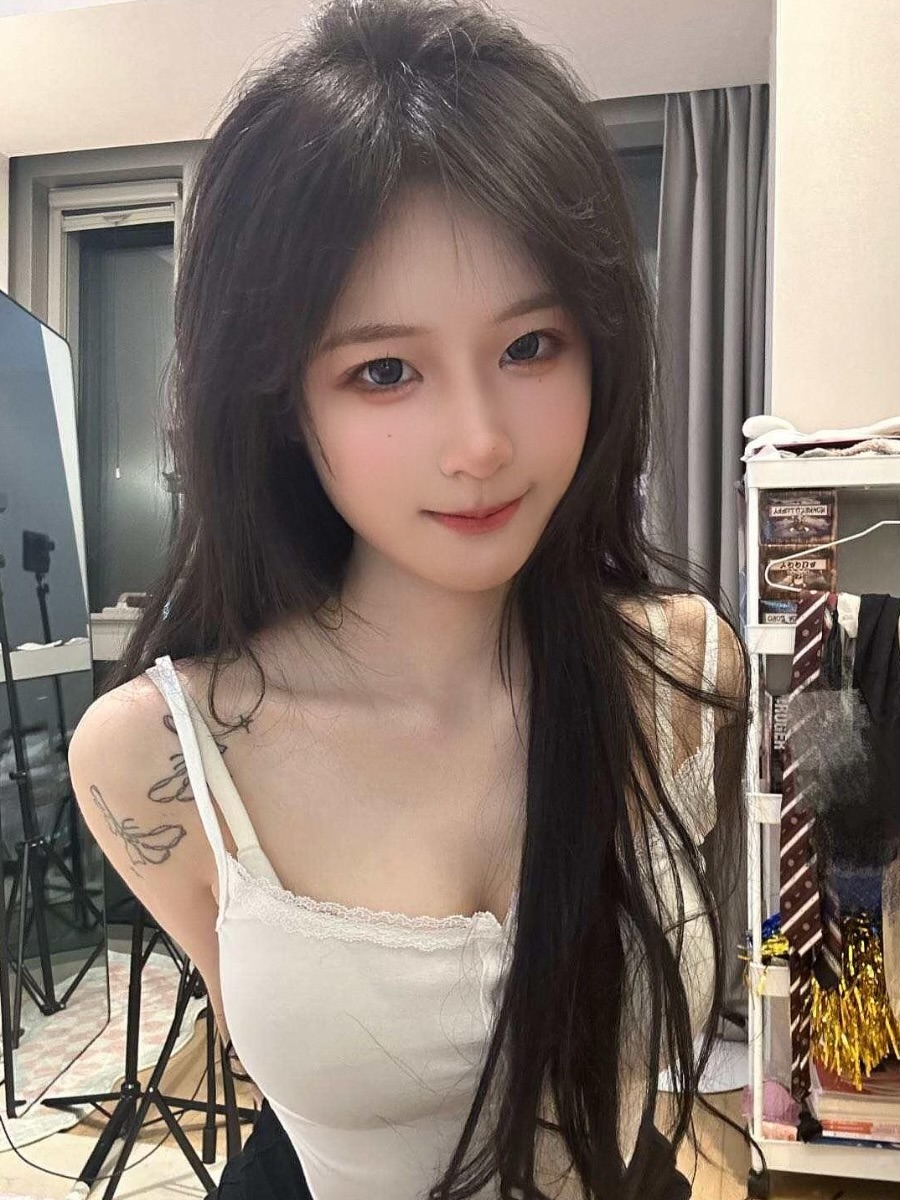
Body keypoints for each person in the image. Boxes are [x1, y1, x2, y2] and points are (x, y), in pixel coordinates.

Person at [67, 1, 749, 1197]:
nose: (479, 442)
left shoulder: (684, 670)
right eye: (385, 371)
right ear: (285, 403)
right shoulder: (155, 756)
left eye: (530, 347)